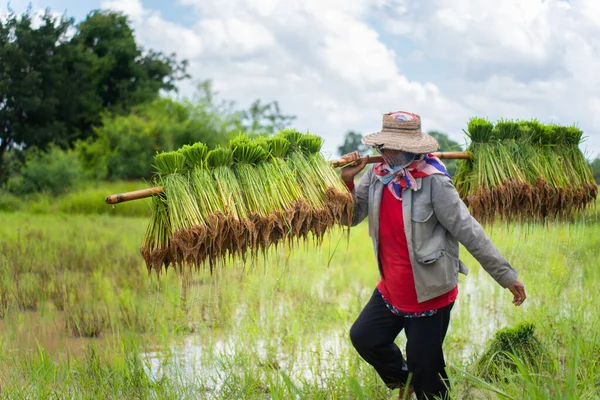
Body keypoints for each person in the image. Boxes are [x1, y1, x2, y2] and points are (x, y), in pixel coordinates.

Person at [340, 111, 526, 400]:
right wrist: (347, 183)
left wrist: (505, 275)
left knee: (428, 371)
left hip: (430, 292)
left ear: (413, 148)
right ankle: (405, 380)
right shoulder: (375, 176)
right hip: (392, 289)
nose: (387, 153)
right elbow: (350, 218)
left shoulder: (435, 181)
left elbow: (469, 230)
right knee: (365, 337)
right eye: (384, 146)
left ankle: (422, 382)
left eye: (395, 147)